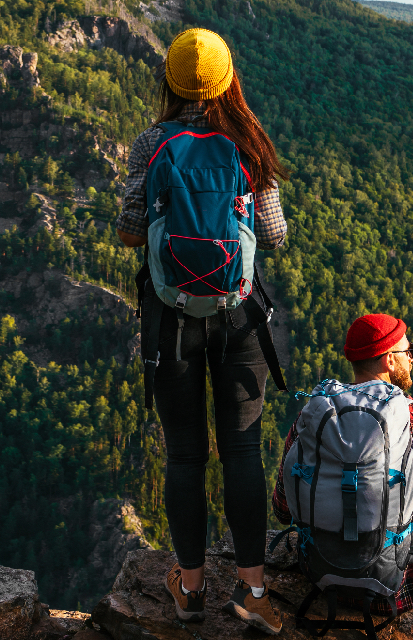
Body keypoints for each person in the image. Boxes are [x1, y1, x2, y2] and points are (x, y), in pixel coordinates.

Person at [116, 28, 289, 634]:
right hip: (239, 321)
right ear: (226, 80)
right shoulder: (249, 142)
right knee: (241, 448)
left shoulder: (150, 142)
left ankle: (189, 590)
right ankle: (253, 590)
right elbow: (274, 237)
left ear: (170, 81)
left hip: (172, 323)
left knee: (185, 454)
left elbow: (130, 230)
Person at [272, 313, 413, 615]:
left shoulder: (313, 420)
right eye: (408, 352)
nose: (412, 359)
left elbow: (283, 510)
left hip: (322, 576)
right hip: (400, 588)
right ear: (389, 360)